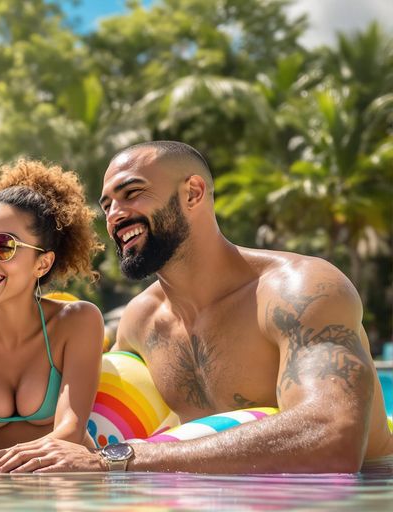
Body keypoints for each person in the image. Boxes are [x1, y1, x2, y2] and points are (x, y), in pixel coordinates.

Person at [21, 140, 393, 473]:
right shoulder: (141, 321)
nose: (115, 215)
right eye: (107, 205)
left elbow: (334, 439)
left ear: (193, 193)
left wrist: (122, 458)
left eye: (132, 193)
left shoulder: (297, 290)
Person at [0, 158, 106, 472]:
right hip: (1, 490)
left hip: (71, 484)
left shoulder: (77, 321)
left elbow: (69, 434)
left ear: (42, 264)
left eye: (4, 246)